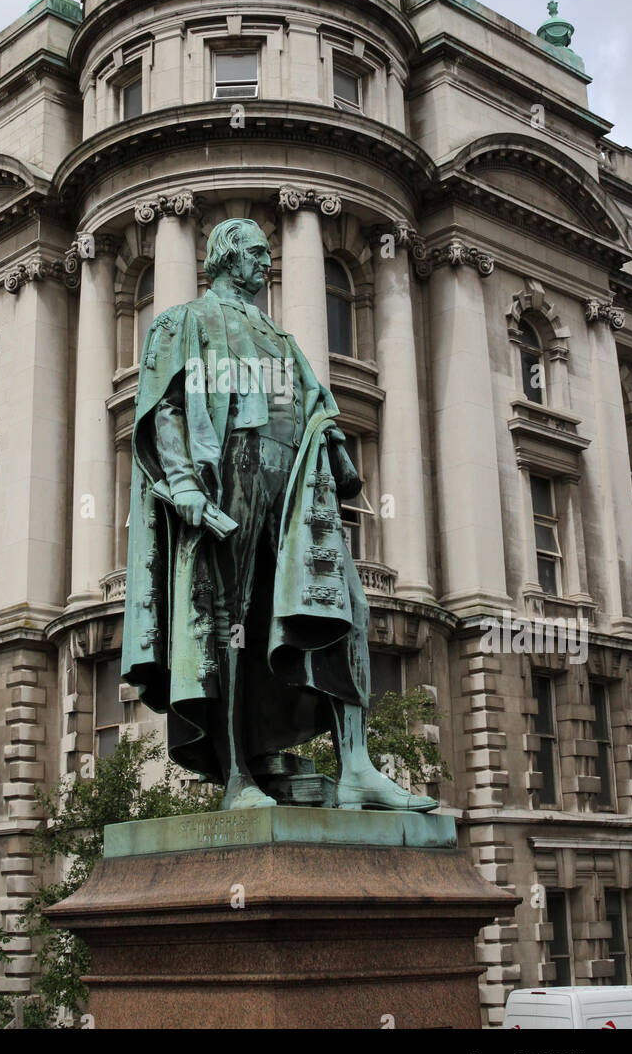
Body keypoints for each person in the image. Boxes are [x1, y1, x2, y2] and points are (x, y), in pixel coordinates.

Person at [122, 218, 436, 813]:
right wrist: (184, 483)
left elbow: (318, 402)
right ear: (226, 256)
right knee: (228, 619)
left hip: (293, 483)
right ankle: (239, 773)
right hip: (229, 475)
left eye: (268, 253)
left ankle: (358, 769)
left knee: (346, 604)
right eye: (257, 253)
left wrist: (335, 448)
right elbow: (164, 408)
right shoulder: (182, 322)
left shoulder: (283, 338)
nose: (266, 264)